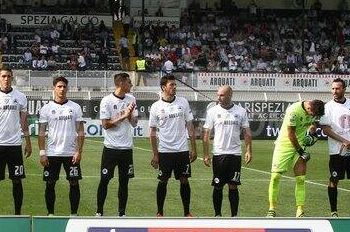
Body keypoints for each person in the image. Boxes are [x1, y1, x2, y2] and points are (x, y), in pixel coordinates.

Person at [267, 99, 325, 217]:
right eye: (313, 114)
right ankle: (272, 209)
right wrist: (301, 151)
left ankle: (300, 211)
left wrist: (312, 133)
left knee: (300, 179)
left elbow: (312, 124)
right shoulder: (293, 111)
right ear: (309, 108)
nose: (313, 117)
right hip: (284, 145)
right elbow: (291, 134)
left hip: (300, 145)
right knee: (275, 177)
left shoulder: (313, 111)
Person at [0, 67, 31, 215]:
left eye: (8, 76)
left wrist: (28, 142)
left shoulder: (21, 97)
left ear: (12, 78)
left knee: (17, 180)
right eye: (3, 76)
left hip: (15, 146)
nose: (6, 79)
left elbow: (24, 122)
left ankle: (18, 213)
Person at [149, 74, 197, 217]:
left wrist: (194, 148)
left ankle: (187, 212)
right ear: (164, 87)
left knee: (184, 180)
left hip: (182, 150)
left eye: (175, 85)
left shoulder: (183, 102)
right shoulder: (156, 106)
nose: (175, 87)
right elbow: (151, 132)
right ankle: (159, 212)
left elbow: (190, 126)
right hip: (165, 151)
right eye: (172, 85)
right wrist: (155, 154)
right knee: (163, 180)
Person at [202, 86, 252, 217]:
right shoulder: (212, 111)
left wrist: (248, 150)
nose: (218, 97)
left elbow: (246, 132)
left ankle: (234, 216)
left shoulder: (241, 111)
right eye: (218, 95)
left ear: (230, 95)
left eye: (222, 95)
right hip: (219, 154)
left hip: (235, 154)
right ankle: (217, 215)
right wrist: (206, 154)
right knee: (217, 185)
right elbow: (206, 133)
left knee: (233, 186)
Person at [38, 76, 85, 215]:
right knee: (50, 183)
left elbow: (81, 131)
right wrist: (42, 153)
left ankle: (74, 214)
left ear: (67, 88)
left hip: (71, 153)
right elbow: (41, 133)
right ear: (54, 88)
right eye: (59, 86)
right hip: (52, 153)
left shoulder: (75, 107)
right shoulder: (46, 109)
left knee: (74, 183)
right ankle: (50, 213)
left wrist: (79, 151)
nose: (62, 89)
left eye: (64, 86)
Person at [320, 78, 350, 217]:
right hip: (336, 151)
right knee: (334, 180)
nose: (334, 91)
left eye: (337, 88)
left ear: (344, 89)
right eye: (333, 88)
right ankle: (334, 211)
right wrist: (343, 140)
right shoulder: (327, 107)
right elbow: (326, 129)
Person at [95, 72, 138, 217]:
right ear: (121, 84)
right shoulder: (106, 101)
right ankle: (99, 212)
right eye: (129, 82)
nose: (131, 85)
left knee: (124, 182)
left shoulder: (131, 98)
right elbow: (106, 125)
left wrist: (130, 115)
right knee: (105, 180)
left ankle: (122, 213)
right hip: (110, 149)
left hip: (126, 149)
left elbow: (134, 123)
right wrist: (123, 116)